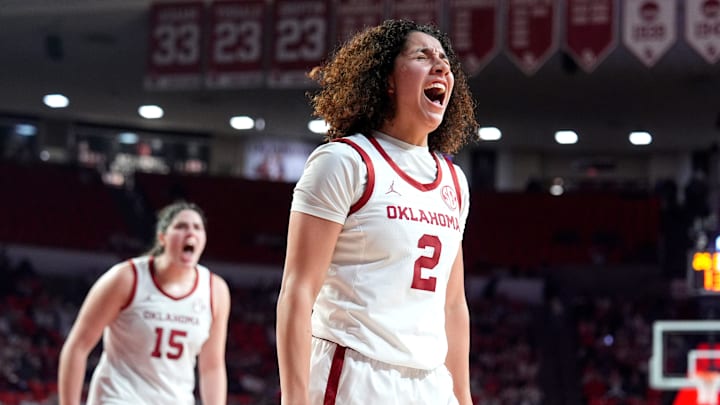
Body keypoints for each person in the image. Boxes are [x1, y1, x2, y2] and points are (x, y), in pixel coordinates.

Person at [276, 19, 478, 405]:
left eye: (445, 61)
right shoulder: (343, 161)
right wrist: (295, 399)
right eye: (423, 56)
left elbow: (453, 304)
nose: (441, 66)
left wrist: (463, 396)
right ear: (387, 79)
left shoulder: (454, 181)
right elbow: (298, 291)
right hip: (354, 373)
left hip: (430, 382)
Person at [58, 201, 231, 405]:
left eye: (197, 227)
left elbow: (212, 366)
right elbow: (77, 346)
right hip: (119, 396)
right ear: (162, 237)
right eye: (181, 226)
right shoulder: (126, 278)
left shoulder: (215, 290)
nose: (190, 233)